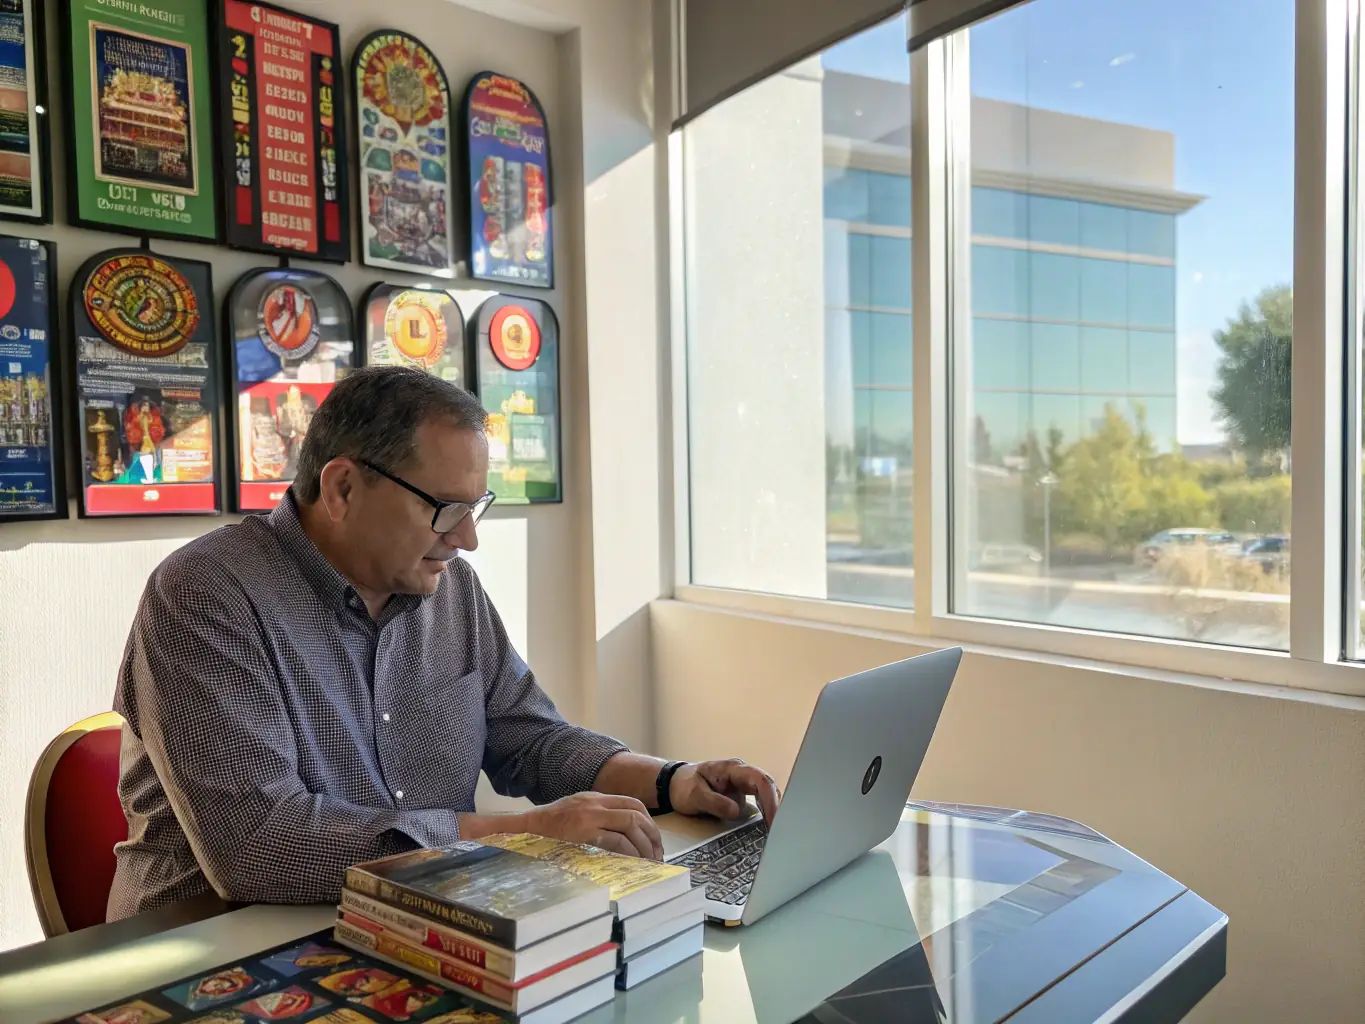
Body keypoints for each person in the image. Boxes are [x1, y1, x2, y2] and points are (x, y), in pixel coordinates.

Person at [108, 366, 780, 920]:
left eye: (475, 508)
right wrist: (523, 834)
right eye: (445, 508)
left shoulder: (448, 588)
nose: (466, 538)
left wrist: (675, 780)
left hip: (419, 919)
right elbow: (258, 847)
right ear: (342, 488)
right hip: (218, 945)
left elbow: (530, 738)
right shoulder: (205, 594)